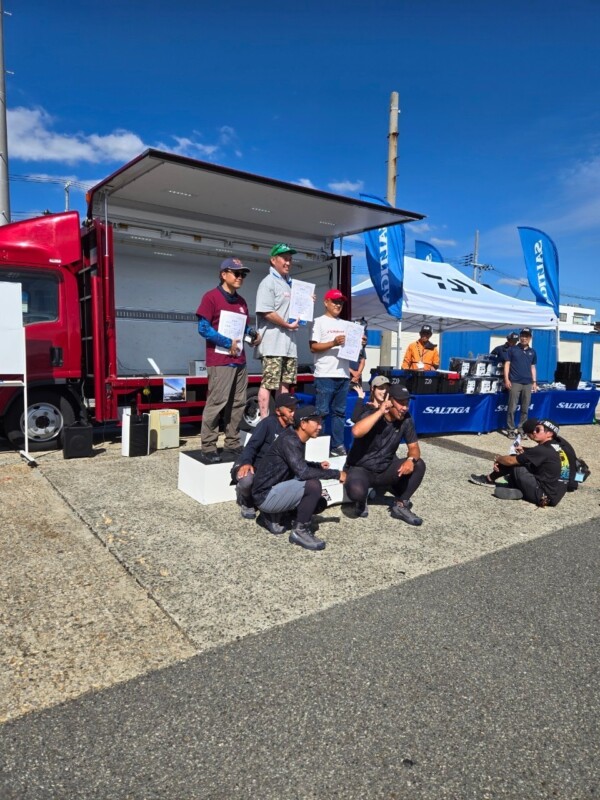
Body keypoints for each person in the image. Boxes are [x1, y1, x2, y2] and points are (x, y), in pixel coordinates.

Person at [251, 405, 346, 551]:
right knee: (313, 486)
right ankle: (299, 532)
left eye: (321, 422)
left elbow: (296, 464)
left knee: (318, 503)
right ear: (303, 424)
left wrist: (317, 466)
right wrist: (336, 474)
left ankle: (274, 516)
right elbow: (303, 473)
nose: (320, 427)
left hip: (273, 489)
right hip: (265, 496)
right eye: (316, 422)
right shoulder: (289, 440)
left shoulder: (294, 437)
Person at [196, 258, 260, 464]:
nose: (240, 277)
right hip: (220, 360)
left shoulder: (241, 302)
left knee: (238, 403)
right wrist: (226, 342)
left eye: (243, 274)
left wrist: (252, 335)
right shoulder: (211, 297)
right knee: (217, 403)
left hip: (239, 359)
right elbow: (203, 329)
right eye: (236, 273)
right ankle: (208, 446)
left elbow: (242, 329)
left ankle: (232, 442)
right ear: (224, 274)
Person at [344, 383, 426, 524]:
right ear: (389, 400)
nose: (404, 408)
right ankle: (362, 499)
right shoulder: (371, 413)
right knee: (356, 492)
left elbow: (414, 447)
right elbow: (356, 431)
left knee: (419, 464)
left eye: (407, 403)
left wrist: (410, 460)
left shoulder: (406, 419)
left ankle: (400, 505)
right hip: (361, 468)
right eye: (400, 403)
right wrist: (380, 411)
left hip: (384, 470)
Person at [469, 419, 567, 507]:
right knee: (525, 462)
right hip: (555, 494)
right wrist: (526, 451)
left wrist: (498, 458)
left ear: (549, 434)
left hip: (542, 496)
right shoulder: (557, 447)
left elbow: (511, 461)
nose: (533, 432)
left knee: (515, 463)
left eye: (537, 430)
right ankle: (519, 488)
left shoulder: (542, 450)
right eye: (534, 429)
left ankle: (489, 479)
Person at [231, 394, 298, 519]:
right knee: (247, 479)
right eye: (290, 410)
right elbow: (251, 447)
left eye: (295, 409)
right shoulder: (267, 424)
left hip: (274, 470)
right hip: (255, 466)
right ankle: (246, 499)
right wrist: (246, 463)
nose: (294, 413)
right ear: (278, 411)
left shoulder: (293, 429)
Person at [255, 243, 301, 419]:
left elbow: (296, 310)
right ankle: (265, 421)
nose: (288, 262)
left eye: (290, 259)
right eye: (284, 258)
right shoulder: (268, 283)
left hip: (290, 345)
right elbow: (266, 312)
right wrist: (286, 325)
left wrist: (306, 301)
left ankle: (282, 420)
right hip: (273, 345)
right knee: (268, 383)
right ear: (273, 260)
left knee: (285, 384)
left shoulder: (290, 284)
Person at [309, 288, 352, 458]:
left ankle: (337, 446)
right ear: (326, 302)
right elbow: (313, 347)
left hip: (343, 373)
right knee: (322, 412)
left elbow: (352, 348)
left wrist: (360, 342)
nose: (338, 304)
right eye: (335, 301)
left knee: (339, 413)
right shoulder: (318, 322)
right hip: (325, 373)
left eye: (340, 302)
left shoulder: (346, 325)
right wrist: (333, 342)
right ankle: (318, 446)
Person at [521, 417, 579, 492]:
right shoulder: (557, 441)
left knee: (522, 466)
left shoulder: (551, 447)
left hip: (563, 484)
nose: (532, 437)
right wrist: (526, 450)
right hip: (569, 480)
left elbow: (542, 454)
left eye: (537, 430)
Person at [504, 327, 537, 438]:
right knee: (512, 408)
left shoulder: (532, 352)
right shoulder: (512, 349)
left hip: (528, 383)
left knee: (525, 408)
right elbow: (507, 364)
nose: (524, 338)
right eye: (522, 336)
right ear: (519, 337)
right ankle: (510, 429)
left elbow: (533, 367)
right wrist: (507, 379)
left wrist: (534, 382)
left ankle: (522, 429)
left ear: (530, 338)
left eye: (526, 336)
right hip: (515, 382)